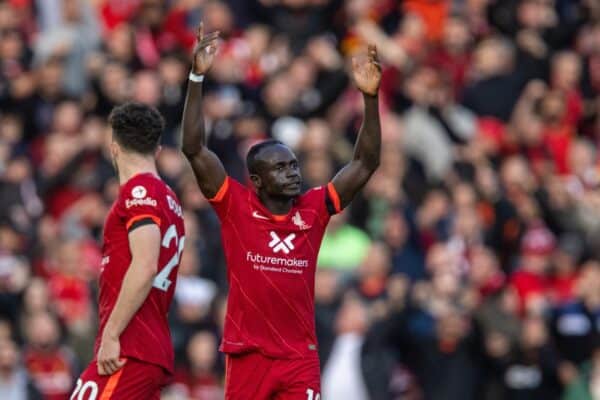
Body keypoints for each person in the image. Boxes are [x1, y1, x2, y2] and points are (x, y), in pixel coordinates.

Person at [181, 23, 381, 399]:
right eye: (281, 168)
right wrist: (195, 78)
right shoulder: (234, 204)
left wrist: (369, 100)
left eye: (293, 165)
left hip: (298, 358)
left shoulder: (315, 208)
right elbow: (193, 149)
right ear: (256, 180)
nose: (293, 173)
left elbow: (366, 163)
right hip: (248, 356)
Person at [70, 102, 186, 399]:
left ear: (114, 147)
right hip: (147, 347)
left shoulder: (141, 192)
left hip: (131, 346)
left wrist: (111, 333)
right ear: (157, 150)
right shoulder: (169, 198)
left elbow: (145, 265)